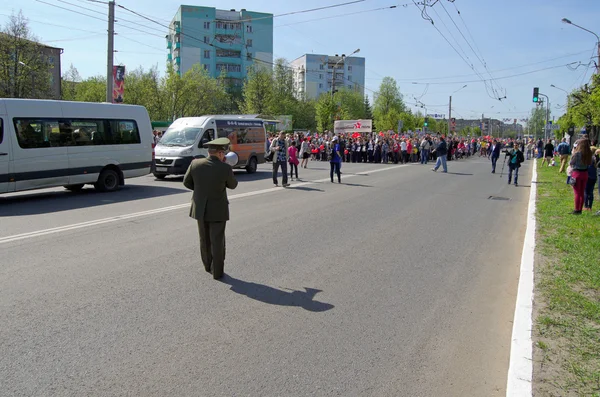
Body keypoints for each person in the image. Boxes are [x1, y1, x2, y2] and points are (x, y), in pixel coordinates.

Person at [183, 138, 238, 279]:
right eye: (223, 153)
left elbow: (186, 182)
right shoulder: (225, 168)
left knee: (204, 238)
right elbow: (233, 185)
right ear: (220, 153)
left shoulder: (195, 164)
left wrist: (201, 191)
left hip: (200, 208)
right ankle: (217, 272)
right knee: (217, 241)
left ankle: (207, 266)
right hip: (218, 210)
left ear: (209, 152)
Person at [569, 139, 593, 215]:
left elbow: (571, 163)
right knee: (582, 192)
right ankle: (580, 209)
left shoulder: (577, 154)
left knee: (577, 192)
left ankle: (576, 209)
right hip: (585, 173)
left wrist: (573, 152)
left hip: (577, 173)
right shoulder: (589, 153)